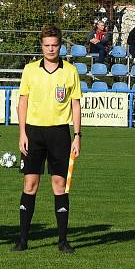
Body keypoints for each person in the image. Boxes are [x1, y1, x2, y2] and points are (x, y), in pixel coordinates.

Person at [13, 25, 82, 254]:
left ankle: (63, 241)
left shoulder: (70, 71)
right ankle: (23, 240)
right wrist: (22, 132)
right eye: (46, 45)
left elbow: (75, 104)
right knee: (30, 184)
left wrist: (77, 136)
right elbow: (22, 101)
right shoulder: (30, 70)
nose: (50, 49)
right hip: (33, 133)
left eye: (54, 45)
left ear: (60, 46)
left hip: (60, 134)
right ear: (41, 46)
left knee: (59, 186)